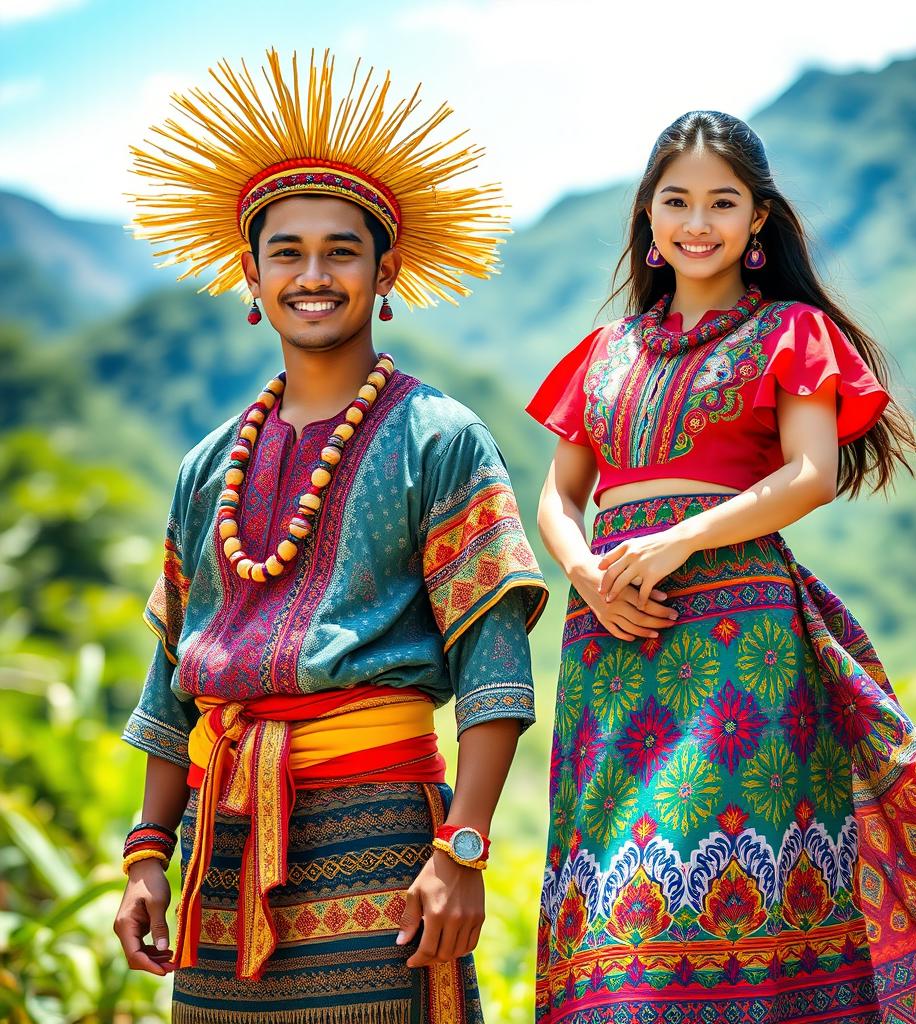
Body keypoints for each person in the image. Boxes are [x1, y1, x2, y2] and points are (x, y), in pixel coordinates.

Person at [526, 110, 916, 1023]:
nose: (698, 222)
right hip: (608, 649)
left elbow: (811, 474)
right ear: (647, 215)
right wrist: (587, 576)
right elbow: (559, 498)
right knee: (607, 915)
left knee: (706, 881)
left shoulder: (790, 330)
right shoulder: (604, 354)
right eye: (676, 201)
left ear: (759, 220)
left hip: (738, 647)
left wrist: (680, 540)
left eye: (723, 202)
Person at [112, 50, 548, 1024]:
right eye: (288, 252)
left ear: (384, 271)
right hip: (221, 852)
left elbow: (494, 662)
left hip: (383, 837)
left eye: (342, 250)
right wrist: (148, 851)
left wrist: (462, 848)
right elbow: (171, 677)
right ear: (250, 275)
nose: (314, 275)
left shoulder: (439, 438)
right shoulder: (205, 467)